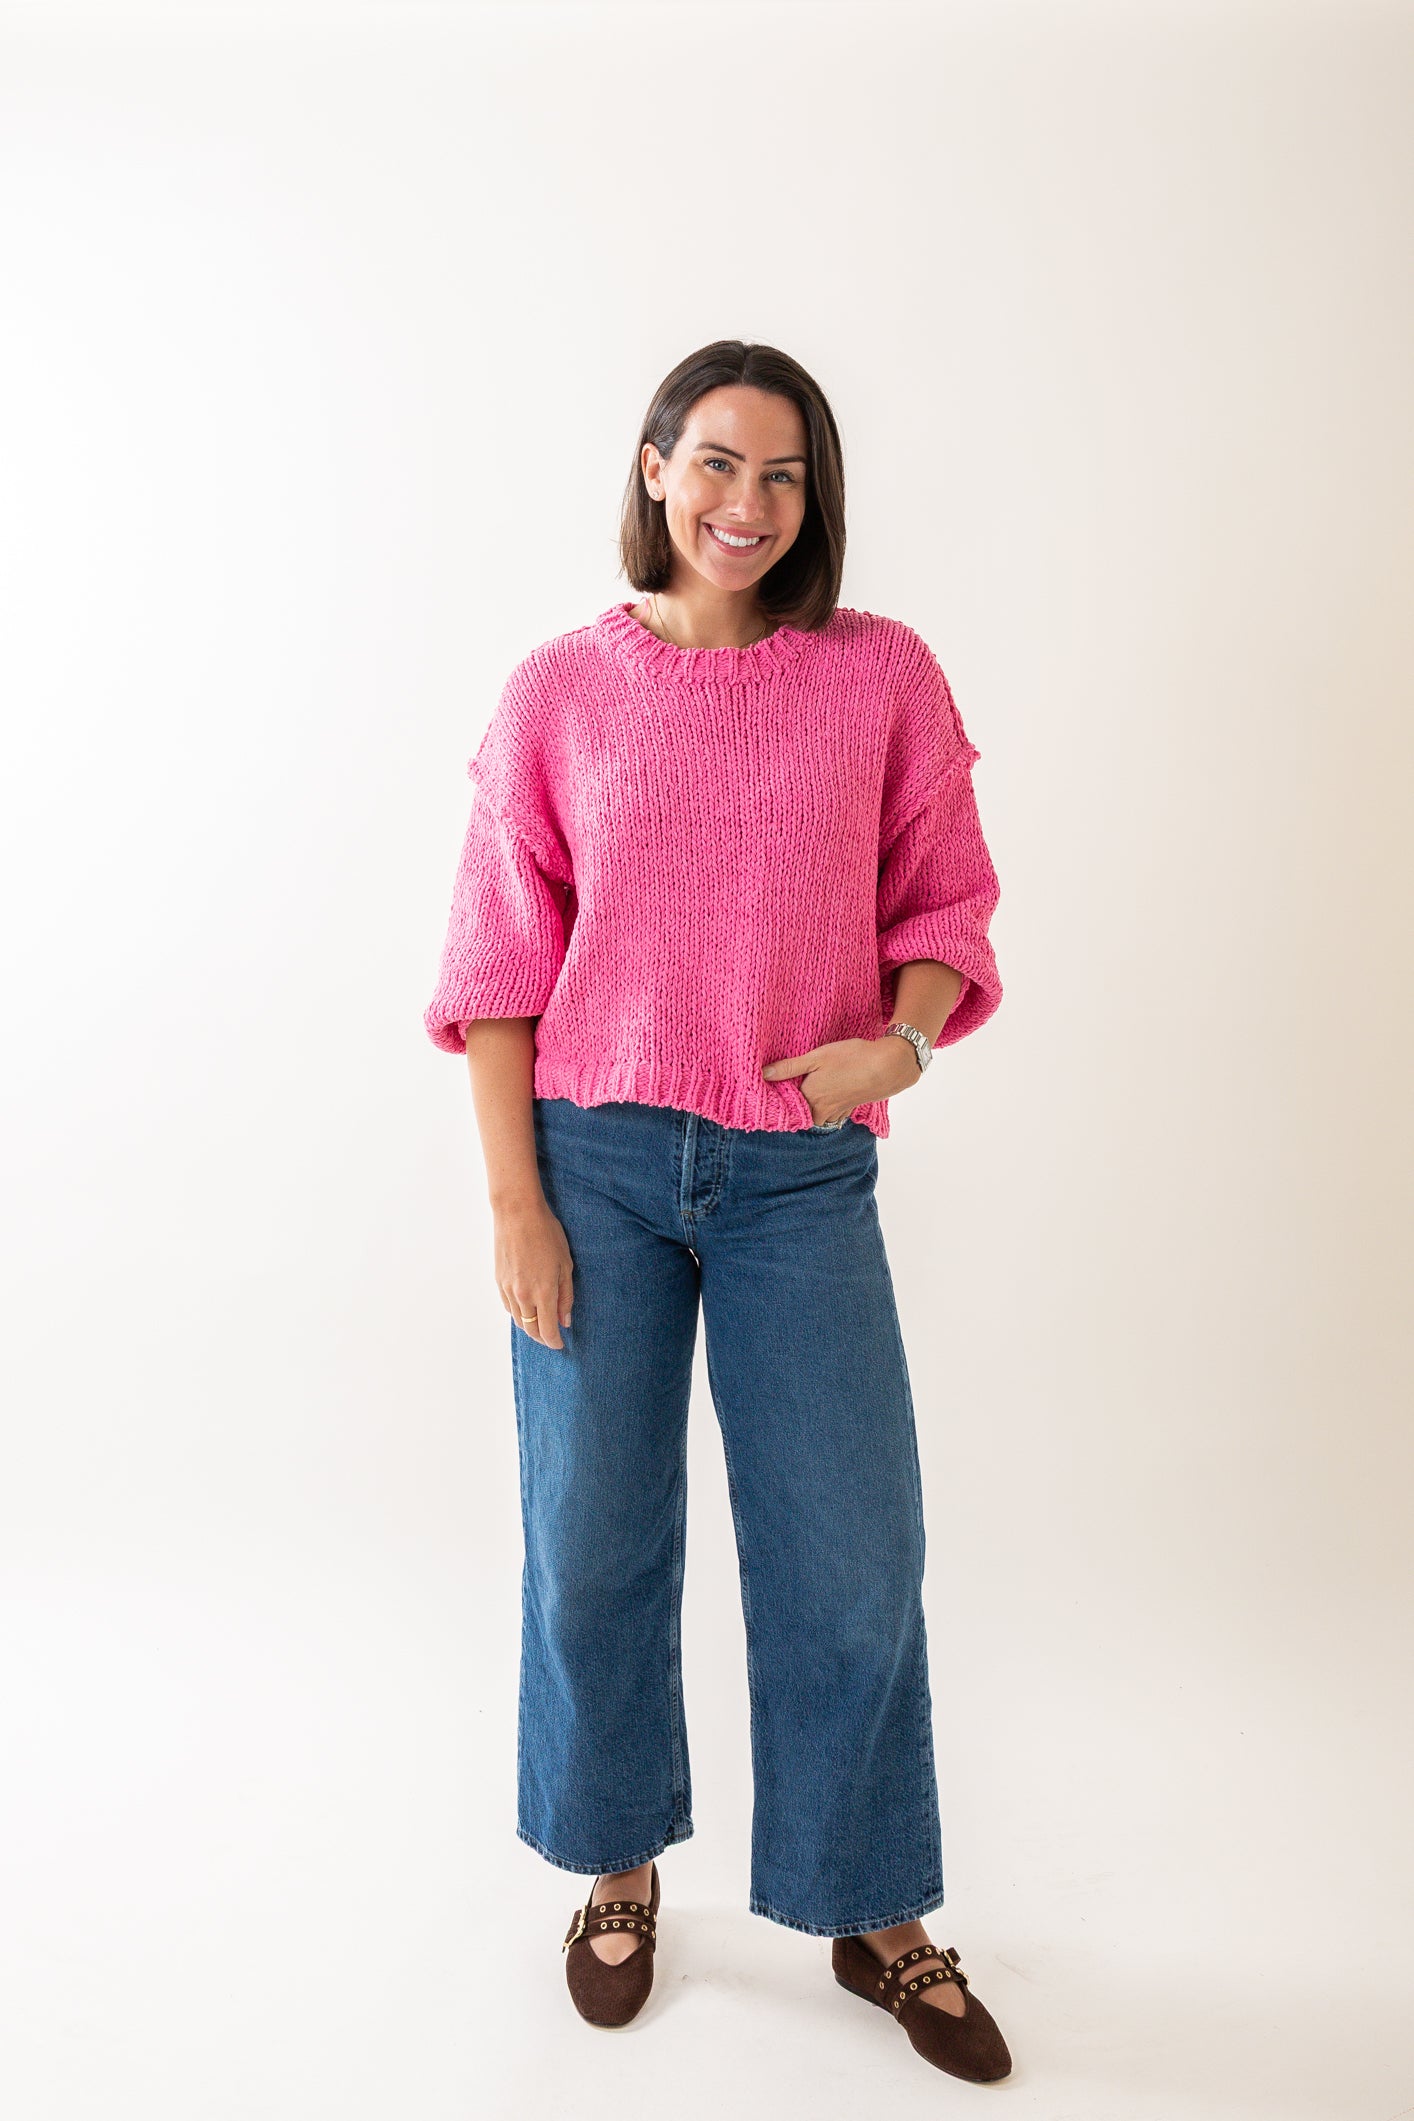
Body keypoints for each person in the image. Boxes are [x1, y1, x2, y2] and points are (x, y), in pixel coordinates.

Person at [422, 339, 1013, 2084]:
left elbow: (945, 902)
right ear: (654, 467)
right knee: (592, 1538)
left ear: (812, 497)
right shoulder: (558, 690)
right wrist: (515, 1201)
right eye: (716, 464)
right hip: (592, 1166)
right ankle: (615, 1865)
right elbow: (496, 967)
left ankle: (870, 1905)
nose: (746, 504)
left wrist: (899, 1044)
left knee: (850, 1554)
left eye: (783, 475)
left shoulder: (879, 674)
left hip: (794, 1175)